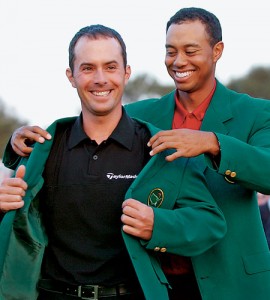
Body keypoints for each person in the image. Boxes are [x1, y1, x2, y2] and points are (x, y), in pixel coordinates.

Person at [7, 7, 270, 300]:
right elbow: (86, 133)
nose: (178, 60)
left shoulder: (256, 113)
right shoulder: (139, 115)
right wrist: (17, 142)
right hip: (150, 281)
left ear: (217, 50)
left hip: (227, 280)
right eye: (171, 51)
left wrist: (213, 143)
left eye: (190, 50)